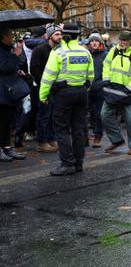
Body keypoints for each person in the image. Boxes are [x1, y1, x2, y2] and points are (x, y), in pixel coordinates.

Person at [39, 24, 93, 175]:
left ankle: (67, 163)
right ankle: (78, 163)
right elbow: (91, 76)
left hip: (63, 94)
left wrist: (43, 95)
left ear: (65, 35)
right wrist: (83, 88)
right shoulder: (85, 52)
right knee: (78, 129)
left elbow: (48, 76)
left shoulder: (58, 52)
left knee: (61, 129)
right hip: (81, 92)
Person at [101, 31, 131, 155]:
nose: (121, 43)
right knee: (105, 115)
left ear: (130, 41)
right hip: (112, 90)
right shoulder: (114, 50)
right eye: (120, 40)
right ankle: (116, 140)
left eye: (124, 41)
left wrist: (128, 88)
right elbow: (106, 65)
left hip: (128, 92)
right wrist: (106, 80)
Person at [30, 25, 62, 153]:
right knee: (44, 115)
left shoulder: (60, 50)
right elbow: (34, 69)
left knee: (53, 115)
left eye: (60, 34)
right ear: (49, 36)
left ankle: (51, 138)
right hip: (44, 87)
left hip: (56, 88)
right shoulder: (39, 50)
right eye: (56, 34)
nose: (59, 37)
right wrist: (44, 84)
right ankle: (42, 142)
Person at [0, 28, 28, 162]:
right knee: (2, 121)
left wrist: (18, 70)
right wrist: (15, 56)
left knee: (8, 122)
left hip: (10, 91)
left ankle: (7, 147)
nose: (11, 37)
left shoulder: (7, 49)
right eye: (9, 34)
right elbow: (4, 66)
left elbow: (12, 66)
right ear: (3, 37)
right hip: (2, 91)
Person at [87, 34, 107, 147]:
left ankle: (98, 135)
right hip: (87, 88)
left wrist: (102, 84)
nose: (94, 43)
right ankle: (89, 133)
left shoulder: (105, 54)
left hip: (100, 88)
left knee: (99, 113)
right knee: (90, 112)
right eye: (92, 41)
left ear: (100, 42)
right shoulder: (87, 54)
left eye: (96, 41)